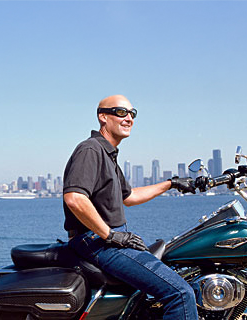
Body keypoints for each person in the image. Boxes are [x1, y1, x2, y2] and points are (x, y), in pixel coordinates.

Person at [63, 94, 198, 320]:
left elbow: (129, 196)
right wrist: (111, 235)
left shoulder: (108, 154)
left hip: (106, 240)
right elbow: (75, 198)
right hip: (97, 242)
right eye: (121, 112)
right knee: (181, 294)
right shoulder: (91, 150)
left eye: (132, 114)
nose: (129, 119)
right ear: (103, 117)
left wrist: (171, 184)